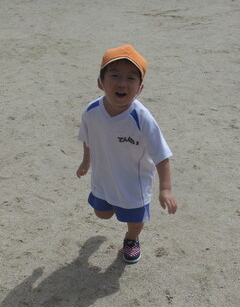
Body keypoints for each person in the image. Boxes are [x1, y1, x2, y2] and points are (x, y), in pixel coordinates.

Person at [76, 44, 177, 264]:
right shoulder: (91, 111)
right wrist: (85, 161)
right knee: (102, 213)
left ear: (140, 88)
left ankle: (131, 239)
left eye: (131, 78)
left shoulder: (142, 119)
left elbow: (161, 156)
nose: (122, 83)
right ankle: (114, 207)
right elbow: (87, 137)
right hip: (104, 178)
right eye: (115, 76)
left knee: (134, 218)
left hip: (133, 184)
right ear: (100, 82)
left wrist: (165, 189)